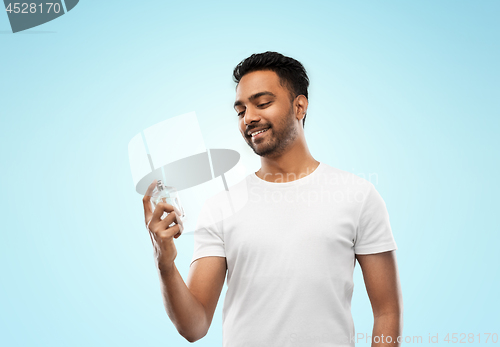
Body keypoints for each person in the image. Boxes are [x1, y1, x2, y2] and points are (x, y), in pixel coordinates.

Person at [142, 51, 403, 346]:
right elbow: (195, 326)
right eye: (240, 111)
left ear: (299, 106)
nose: (249, 118)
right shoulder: (221, 206)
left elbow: (387, 312)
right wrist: (165, 261)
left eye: (262, 103)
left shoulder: (358, 196)